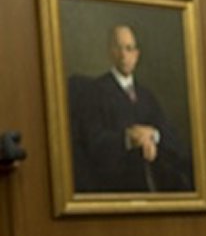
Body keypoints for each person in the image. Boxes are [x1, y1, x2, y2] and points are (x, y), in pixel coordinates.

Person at [73, 25, 192, 193]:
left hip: (155, 187)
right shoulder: (94, 92)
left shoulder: (147, 96)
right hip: (115, 188)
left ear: (136, 55)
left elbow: (173, 138)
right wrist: (128, 138)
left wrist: (152, 135)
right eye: (118, 48)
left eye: (129, 49)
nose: (124, 55)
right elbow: (93, 142)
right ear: (110, 52)